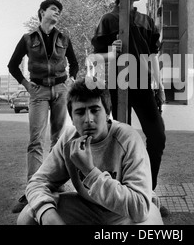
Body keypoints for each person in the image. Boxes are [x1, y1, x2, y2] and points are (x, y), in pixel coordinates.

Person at [17, 79, 163, 225]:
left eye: (95, 110)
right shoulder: (69, 140)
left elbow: (140, 208)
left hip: (125, 213)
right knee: (28, 216)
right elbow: (37, 182)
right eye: (80, 112)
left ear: (107, 113)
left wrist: (90, 171)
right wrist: (48, 215)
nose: (88, 119)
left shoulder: (128, 138)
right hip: (87, 209)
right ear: (72, 119)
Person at [91, 0, 168, 216]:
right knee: (118, 142)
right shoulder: (108, 20)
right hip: (116, 86)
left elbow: (152, 55)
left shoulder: (146, 20)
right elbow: (96, 59)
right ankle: (118, 196)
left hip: (143, 85)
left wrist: (159, 84)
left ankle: (147, 191)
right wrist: (111, 53)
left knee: (158, 137)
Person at [8, 0, 79, 213]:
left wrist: (69, 82)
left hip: (60, 90)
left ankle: (55, 185)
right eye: (54, 9)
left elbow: (74, 64)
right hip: (38, 91)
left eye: (59, 10)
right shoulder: (28, 38)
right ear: (42, 12)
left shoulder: (64, 38)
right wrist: (27, 86)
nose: (57, 12)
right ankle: (33, 190)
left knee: (58, 139)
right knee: (36, 140)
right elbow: (12, 65)